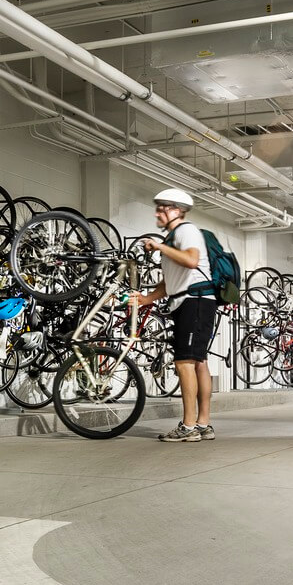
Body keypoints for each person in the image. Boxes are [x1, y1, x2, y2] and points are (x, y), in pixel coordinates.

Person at [127, 188, 216, 442]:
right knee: (198, 362)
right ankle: (203, 424)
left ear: (177, 210)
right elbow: (170, 282)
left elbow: (191, 260)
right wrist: (146, 299)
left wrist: (160, 247)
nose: (158, 212)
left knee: (184, 362)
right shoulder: (174, 237)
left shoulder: (186, 231)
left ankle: (189, 427)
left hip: (195, 301)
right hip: (192, 301)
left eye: (163, 208)